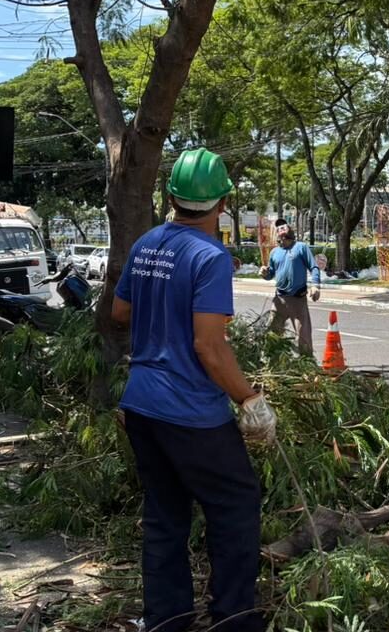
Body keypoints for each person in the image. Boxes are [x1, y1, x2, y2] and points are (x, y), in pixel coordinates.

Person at [112, 147, 276, 632]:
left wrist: (159, 311)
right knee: (235, 506)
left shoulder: (146, 244)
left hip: (141, 405)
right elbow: (210, 346)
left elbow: (120, 313)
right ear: (222, 204)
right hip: (191, 413)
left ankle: (166, 620)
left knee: (165, 515)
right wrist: (250, 399)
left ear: (171, 196)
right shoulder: (210, 256)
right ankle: (234, 620)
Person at [259, 219, 321, 355]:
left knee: (303, 337)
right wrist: (264, 273)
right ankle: (271, 362)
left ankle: (306, 364)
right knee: (272, 334)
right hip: (279, 300)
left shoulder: (301, 247)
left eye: (283, 229)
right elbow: (271, 274)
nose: (281, 232)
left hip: (297, 300)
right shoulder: (274, 252)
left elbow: (314, 267)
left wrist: (315, 285)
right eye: (279, 231)